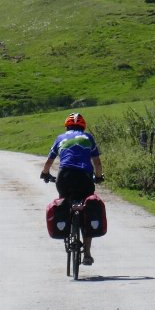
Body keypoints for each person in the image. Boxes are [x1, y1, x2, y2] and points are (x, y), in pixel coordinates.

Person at [41, 112, 105, 265]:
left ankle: (67, 228)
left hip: (65, 177)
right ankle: (87, 254)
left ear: (67, 126)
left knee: (65, 203)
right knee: (87, 209)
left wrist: (45, 174)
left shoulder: (60, 138)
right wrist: (99, 176)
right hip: (84, 177)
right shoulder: (88, 138)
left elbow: (49, 161)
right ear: (83, 126)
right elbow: (97, 163)